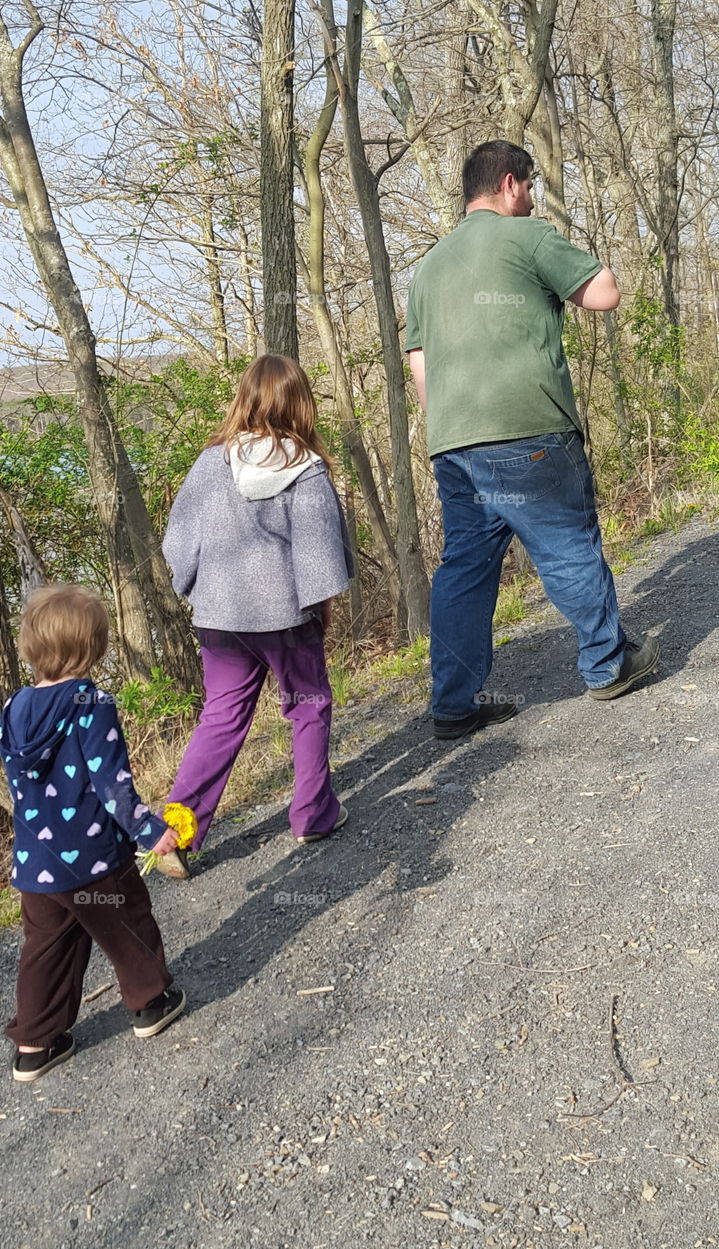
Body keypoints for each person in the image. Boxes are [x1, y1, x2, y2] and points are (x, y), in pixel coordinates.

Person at [406, 139, 659, 739]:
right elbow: (604, 293)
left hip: (452, 441)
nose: (532, 197)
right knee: (567, 542)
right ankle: (607, 664)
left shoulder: (430, 265)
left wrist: (452, 423)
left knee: (465, 567)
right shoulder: (529, 237)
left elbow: (418, 360)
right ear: (512, 184)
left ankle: (453, 702)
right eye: (531, 186)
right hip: (529, 430)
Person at [161, 354, 353, 878]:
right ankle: (313, 815)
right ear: (301, 404)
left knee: (220, 718)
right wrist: (319, 608)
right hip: (286, 619)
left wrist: (197, 589)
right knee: (308, 705)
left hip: (219, 619)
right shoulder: (305, 468)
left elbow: (179, 544)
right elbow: (319, 557)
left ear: (244, 399)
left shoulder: (210, 463)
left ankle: (174, 833)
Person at [1, 584, 186, 1084]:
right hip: (93, 859)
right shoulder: (91, 701)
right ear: (94, 647)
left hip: (36, 864)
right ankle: (151, 1004)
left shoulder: (12, 708)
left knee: (46, 950)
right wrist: (151, 832)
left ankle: (35, 1044)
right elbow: (111, 785)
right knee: (127, 925)